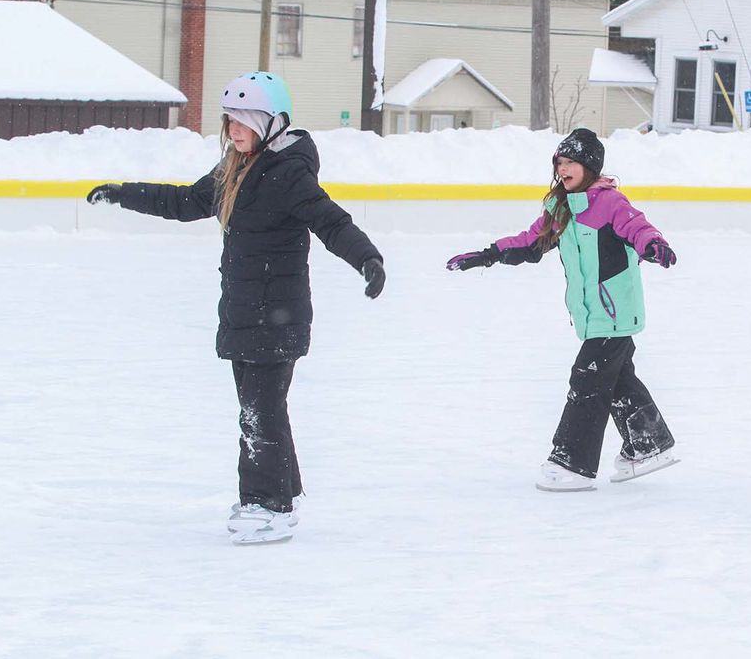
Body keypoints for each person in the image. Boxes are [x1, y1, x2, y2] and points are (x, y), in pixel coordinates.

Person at [85, 71, 386, 544]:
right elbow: (186, 202)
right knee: (262, 410)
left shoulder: (290, 173)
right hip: (245, 315)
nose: (234, 130)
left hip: (276, 317)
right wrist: (126, 193)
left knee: (259, 414)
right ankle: (283, 494)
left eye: (244, 121)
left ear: (271, 123)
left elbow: (332, 222)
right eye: (230, 120)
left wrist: (367, 259)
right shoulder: (235, 168)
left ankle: (267, 505)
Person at [445, 128, 679, 492]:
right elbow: (531, 242)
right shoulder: (562, 208)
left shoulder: (611, 203)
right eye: (560, 162)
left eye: (571, 162)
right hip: (592, 314)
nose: (563, 169)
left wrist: (653, 245)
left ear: (590, 166)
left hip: (614, 311)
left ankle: (572, 463)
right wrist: (488, 255)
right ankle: (648, 444)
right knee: (617, 380)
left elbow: (638, 227)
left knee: (587, 379)